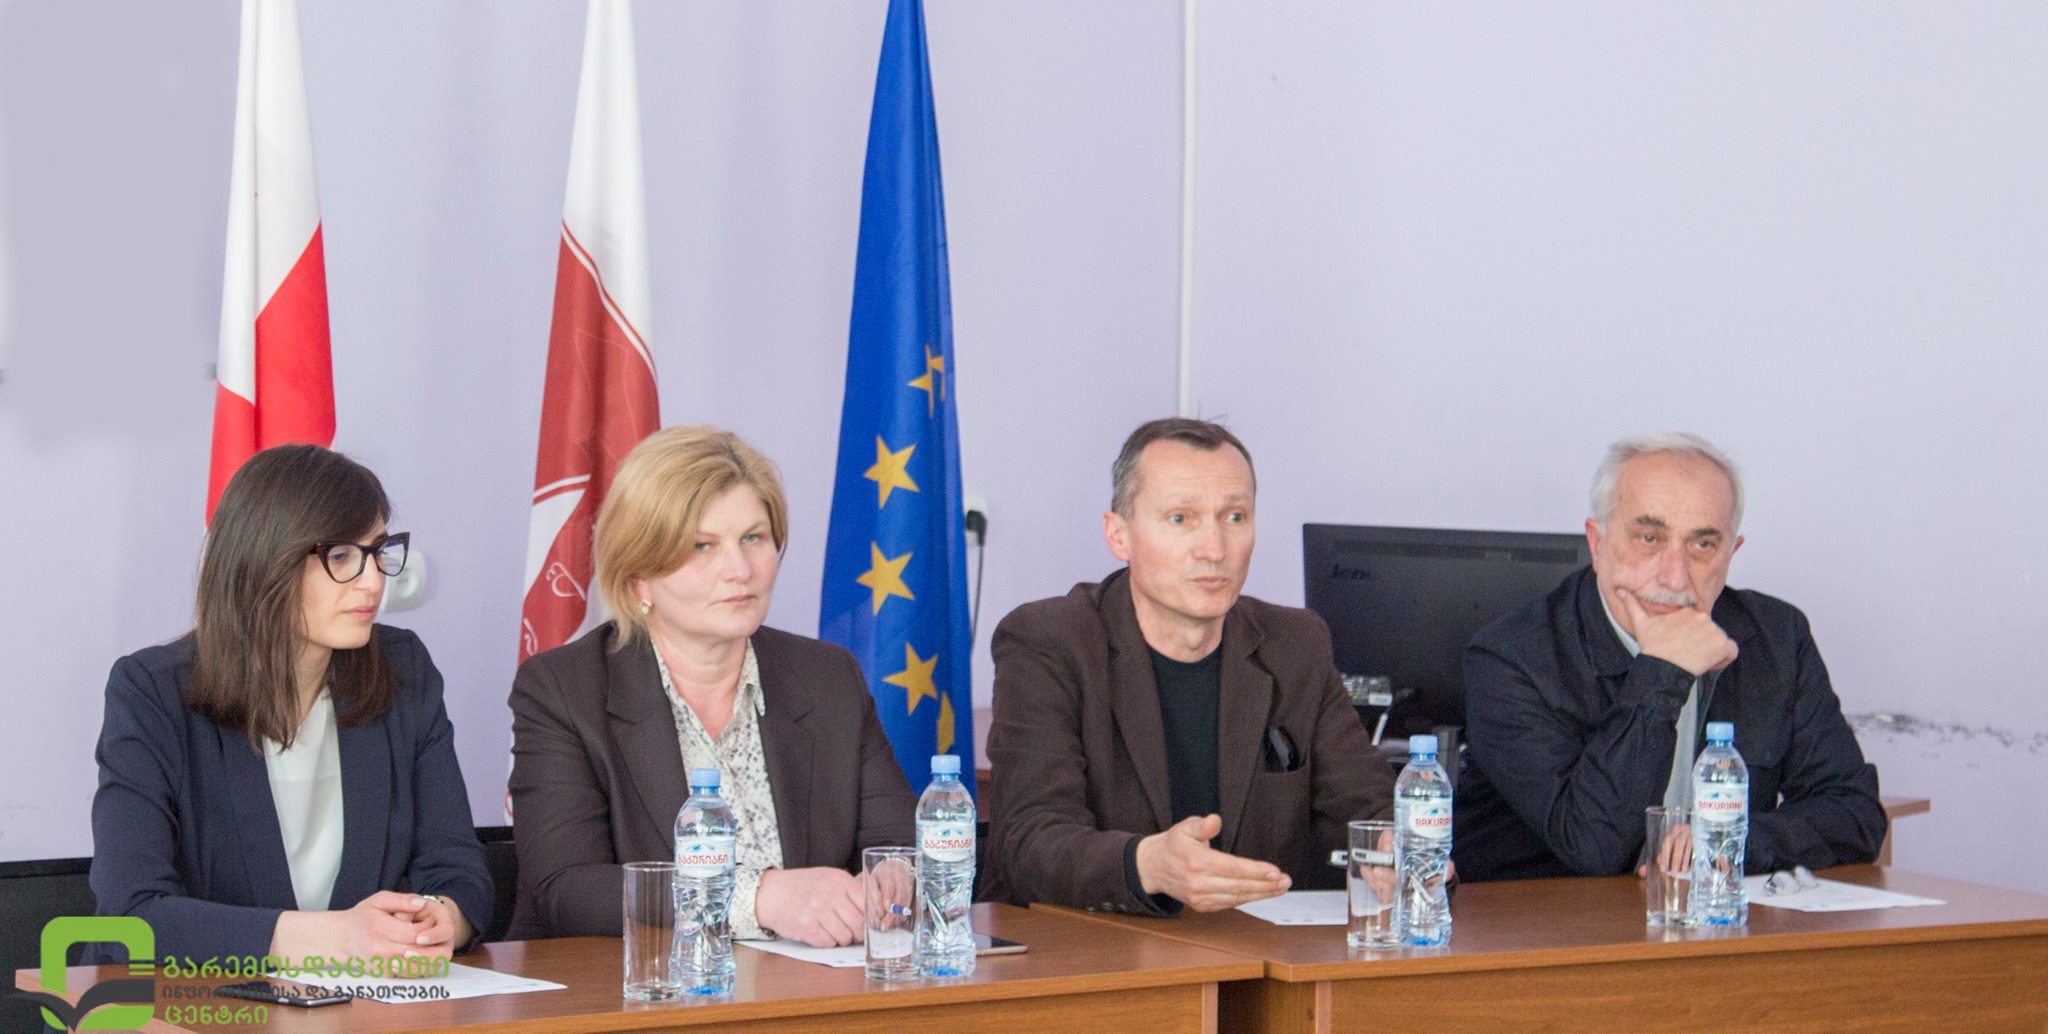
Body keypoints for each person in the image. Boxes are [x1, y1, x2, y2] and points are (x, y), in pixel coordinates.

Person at [507, 427, 914, 947]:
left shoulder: (827, 677)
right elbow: (568, 888)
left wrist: (892, 880)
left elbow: (897, 840)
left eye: (754, 538)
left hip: (810, 982)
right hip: (634, 985)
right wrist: (758, 898)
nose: (739, 570)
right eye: (702, 546)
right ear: (638, 577)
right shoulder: (564, 689)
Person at [90, 445, 490, 964]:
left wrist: (438, 919)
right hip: (182, 1000)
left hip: (361, 1001)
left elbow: (459, 870)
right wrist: (334, 937)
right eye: (341, 556)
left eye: (378, 551)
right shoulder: (151, 690)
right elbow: (130, 916)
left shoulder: (403, 668)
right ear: (266, 564)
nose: (373, 580)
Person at [985, 418, 1395, 915]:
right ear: (1119, 535)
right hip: (1094, 947)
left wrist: (1400, 849)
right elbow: (1028, 842)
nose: (1214, 549)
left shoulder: (1295, 645)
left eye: (1235, 517)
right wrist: (1147, 864)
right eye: (1180, 519)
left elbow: (1368, 809)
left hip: (1255, 950)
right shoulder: (1049, 643)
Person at [1455, 432, 1887, 882]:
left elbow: (1854, 813)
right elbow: (1594, 846)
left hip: (1704, 919)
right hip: (1548, 920)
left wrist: (1727, 842)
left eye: (1702, 545)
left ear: (1731, 553)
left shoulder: (1776, 637)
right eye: (1649, 538)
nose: (1675, 577)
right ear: (1597, 544)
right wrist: (1664, 669)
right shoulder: (1510, 658)